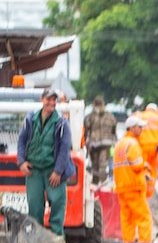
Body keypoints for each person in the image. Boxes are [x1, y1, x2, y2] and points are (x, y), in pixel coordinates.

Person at [16, 89, 74, 233]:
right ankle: (36, 242)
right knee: (34, 207)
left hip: (52, 171)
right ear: (42, 100)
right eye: (48, 99)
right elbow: (21, 141)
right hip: (33, 171)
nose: (51, 103)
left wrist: (58, 171)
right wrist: (21, 161)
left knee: (57, 206)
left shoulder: (61, 123)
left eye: (54, 100)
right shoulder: (31, 119)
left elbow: (64, 149)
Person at [113, 116, 154, 243]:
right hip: (134, 187)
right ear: (132, 128)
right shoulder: (133, 144)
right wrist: (146, 166)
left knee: (127, 219)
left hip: (122, 188)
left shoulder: (120, 144)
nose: (141, 129)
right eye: (139, 127)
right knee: (144, 217)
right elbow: (136, 166)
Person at [83, 96, 117, 182]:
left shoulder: (90, 117)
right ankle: (99, 183)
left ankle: (99, 183)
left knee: (100, 166)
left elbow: (86, 131)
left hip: (100, 145)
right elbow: (114, 130)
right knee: (98, 166)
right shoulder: (110, 116)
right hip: (101, 144)